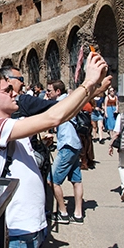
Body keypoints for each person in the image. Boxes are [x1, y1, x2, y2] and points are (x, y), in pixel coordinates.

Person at [0, 52, 110, 248]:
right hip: (17, 229)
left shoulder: (12, 124)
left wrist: (93, 88)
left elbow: (62, 114)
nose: (14, 92)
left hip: (31, 225)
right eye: (7, 89)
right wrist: (87, 82)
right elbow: (53, 118)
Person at [46, 80, 85, 225]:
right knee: (76, 180)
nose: (47, 93)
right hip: (74, 143)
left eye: (49, 90)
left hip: (67, 144)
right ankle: (78, 213)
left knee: (52, 180)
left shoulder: (60, 104)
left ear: (57, 92)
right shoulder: (68, 101)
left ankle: (62, 212)